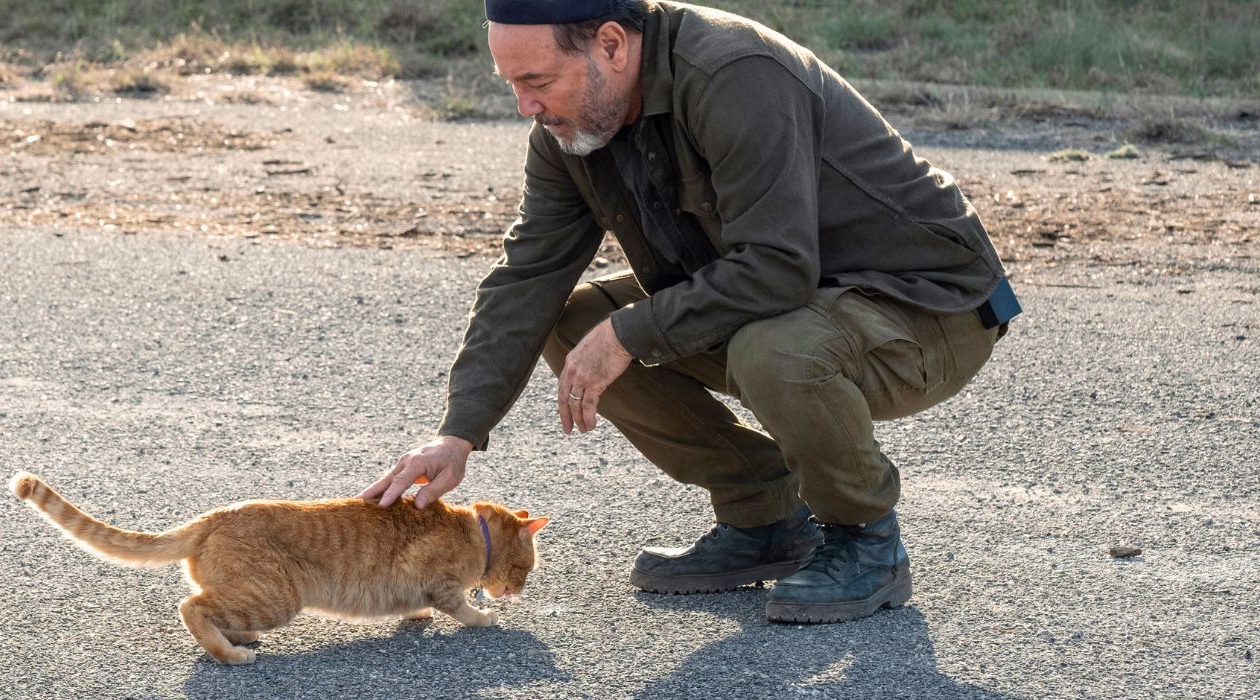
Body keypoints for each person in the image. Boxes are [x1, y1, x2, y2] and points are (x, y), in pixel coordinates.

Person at [360, 0, 1019, 624]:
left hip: (930, 308)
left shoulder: (735, 74)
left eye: (537, 80)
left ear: (611, 45)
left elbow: (777, 268)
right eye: (511, 83)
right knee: (573, 323)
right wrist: (460, 430)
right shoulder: (568, 131)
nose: (525, 106)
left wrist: (630, 332)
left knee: (771, 348)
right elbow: (525, 279)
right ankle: (763, 517)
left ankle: (865, 541)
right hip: (798, 305)